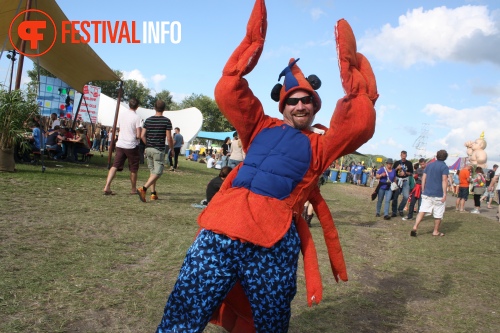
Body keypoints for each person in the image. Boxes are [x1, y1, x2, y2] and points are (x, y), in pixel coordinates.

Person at [155, 3, 378, 331]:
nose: (300, 104)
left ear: (316, 107)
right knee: (185, 307)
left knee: (270, 321)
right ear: (282, 104)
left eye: (307, 100)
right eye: (293, 100)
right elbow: (229, 89)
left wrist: (348, 68)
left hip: (272, 241)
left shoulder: (322, 145)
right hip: (221, 230)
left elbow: (359, 123)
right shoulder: (259, 125)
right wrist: (253, 42)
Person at [136, 100, 174, 202]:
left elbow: (142, 135)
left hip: (148, 149)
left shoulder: (148, 120)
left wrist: (148, 143)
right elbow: (169, 138)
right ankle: (143, 189)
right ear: (164, 109)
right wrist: (172, 149)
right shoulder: (166, 121)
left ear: (154, 108)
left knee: (152, 172)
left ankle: (153, 194)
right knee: (158, 172)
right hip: (158, 149)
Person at [103, 98, 142, 195]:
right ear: (137, 107)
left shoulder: (122, 115)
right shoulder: (137, 117)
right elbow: (138, 134)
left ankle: (107, 186)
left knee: (115, 165)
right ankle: (133, 189)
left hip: (120, 143)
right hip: (131, 145)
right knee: (133, 168)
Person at [410, 150, 449, 237]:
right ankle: (435, 231)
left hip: (427, 192)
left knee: (422, 211)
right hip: (438, 194)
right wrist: (445, 194)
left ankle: (415, 226)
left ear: (436, 156)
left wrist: (423, 188)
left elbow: (424, 177)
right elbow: (444, 180)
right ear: (445, 157)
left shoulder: (429, 165)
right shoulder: (444, 167)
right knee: (438, 214)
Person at [392, 150, 414, 217]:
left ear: (406, 156)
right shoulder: (397, 163)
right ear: (400, 155)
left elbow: (411, 173)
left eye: (405, 156)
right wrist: (397, 168)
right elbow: (392, 172)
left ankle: (400, 209)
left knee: (406, 196)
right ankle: (394, 211)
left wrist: (405, 173)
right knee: (395, 197)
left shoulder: (409, 163)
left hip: (405, 180)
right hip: (398, 180)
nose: (403, 157)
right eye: (402, 156)